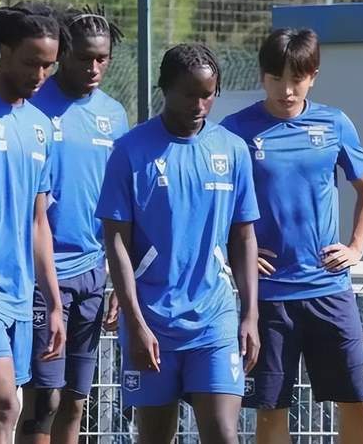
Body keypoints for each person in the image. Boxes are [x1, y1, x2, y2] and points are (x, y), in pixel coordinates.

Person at [221, 28, 363, 444]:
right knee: (271, 409)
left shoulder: (334, 123)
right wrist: (234, 251)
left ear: (314, 76)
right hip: (269, 297)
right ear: (262, 76)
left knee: (356, 401)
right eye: (277, 78)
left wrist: (356, 246)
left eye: (297, 78)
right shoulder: (235, 131)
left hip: (329, 290)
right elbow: (214, 200)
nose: (287, 90)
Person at [96, 43, 260, 444]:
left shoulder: (232, 150)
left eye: (208, 94)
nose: (200, 105)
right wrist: (135, 323)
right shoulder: (130, 151)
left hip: (214, 320)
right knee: (155, 437)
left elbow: (243, 236)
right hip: (152, 322)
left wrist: (250, 315)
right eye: (189, 94)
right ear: (165, 88)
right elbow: (116, 242)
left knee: (223, 434)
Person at [17, 5, 128, 444]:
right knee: (41, 401)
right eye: (84, 57)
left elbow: (121, 206)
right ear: (63, 53)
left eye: (102, 59)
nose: (94, 67)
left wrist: (119, 279)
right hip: (41, 273)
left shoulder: (114, 115)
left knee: (76, 399)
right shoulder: (33, 104)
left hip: (93, 274)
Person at [0, 3, 67, 443]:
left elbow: (38, 221)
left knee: (11, 411)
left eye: (49, 65)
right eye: (31, 62)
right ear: (4, 51)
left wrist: (54, 303)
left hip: (19, 297)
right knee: (3, 404)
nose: (40, 74)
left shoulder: (41, 127)